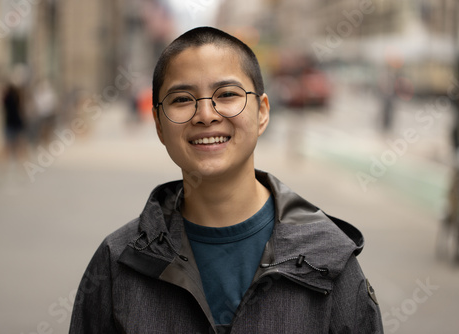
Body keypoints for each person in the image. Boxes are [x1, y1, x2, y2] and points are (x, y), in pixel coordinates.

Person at [69, 26, 383, 333]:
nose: (206, 114)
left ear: (261, 112)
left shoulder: (329, 260)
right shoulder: (119, 261)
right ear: (159, 124)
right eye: (182, 99)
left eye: (227, 94)